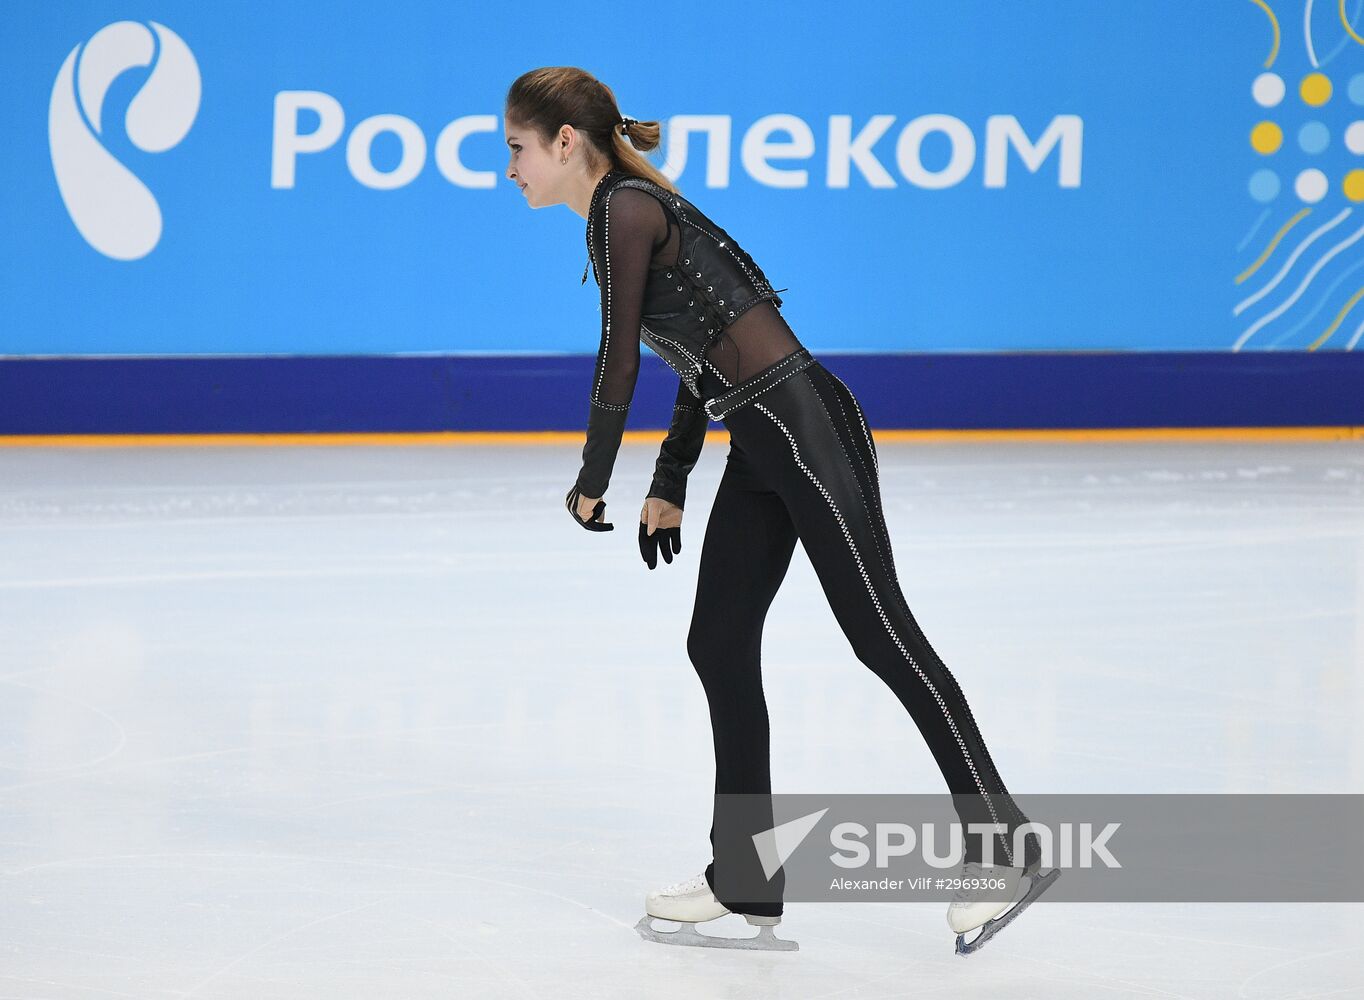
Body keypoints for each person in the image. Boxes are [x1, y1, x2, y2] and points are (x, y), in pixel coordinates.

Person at [503, 66, 1059, 954]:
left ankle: (1006, 841)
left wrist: (592, 475)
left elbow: (621, 359)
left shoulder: (622, 211)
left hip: (802, 424)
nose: (513, 168)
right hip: (765, 439)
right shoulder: (634, 211)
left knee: (879, 630)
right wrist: (672, 478)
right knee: (717, 640)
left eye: (518, 149)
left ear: (566, 143)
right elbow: (695, 356)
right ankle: (748, 876)